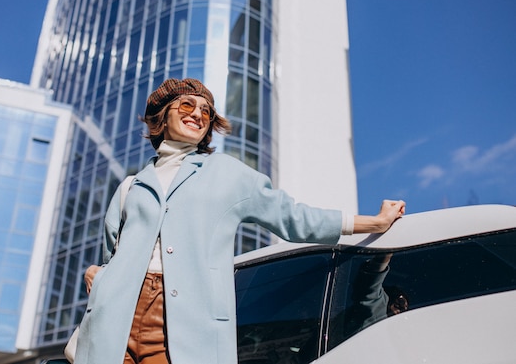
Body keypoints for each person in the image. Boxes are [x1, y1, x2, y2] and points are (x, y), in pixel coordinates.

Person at [73, 78, 406, 364]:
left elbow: (292, 217)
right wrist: (98, 276)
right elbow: (112, 256)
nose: (197, 114)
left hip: (182, 322)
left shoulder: (227, 174)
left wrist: (372, 223)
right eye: (187, 105)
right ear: (161, 116)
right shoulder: (130, 187)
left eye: (205, 111)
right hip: (115, 319)